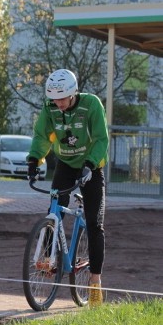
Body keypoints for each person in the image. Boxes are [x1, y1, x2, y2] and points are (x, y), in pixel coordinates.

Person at [27, 68, 109, 307]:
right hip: (65, 164)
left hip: (90, 166)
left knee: (95, 223)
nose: (58, 103)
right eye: (55, 99)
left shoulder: (91, 104)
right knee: (54, 210)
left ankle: (95, 281)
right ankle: (47, 258)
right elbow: (42, 135)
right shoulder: (50, 107)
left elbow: (101, 138)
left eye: (62, 98)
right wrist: (34, 159)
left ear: (73, 93)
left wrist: (91, 164)